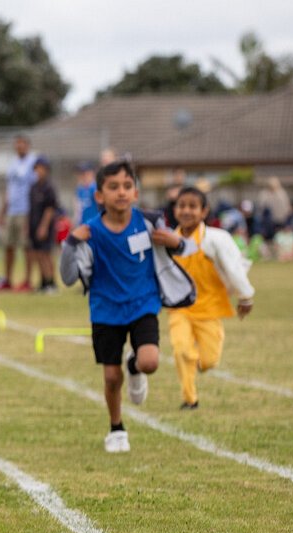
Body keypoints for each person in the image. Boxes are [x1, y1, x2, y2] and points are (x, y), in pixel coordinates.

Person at [64, 160, 183, 453]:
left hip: (143, 303)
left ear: (136, 193)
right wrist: (70, 244)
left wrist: (176, 242)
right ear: (99, 195)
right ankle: (116, 428)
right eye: (113, 187)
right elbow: (67, 278)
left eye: (127, 186)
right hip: (105, 309)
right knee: (110, 376)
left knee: (149, 362)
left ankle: (134, 365)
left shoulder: (150, 222)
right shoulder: (89, 232)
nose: (121, 192)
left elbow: (183, 249)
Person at [167, 187, 255, 410]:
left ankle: (198, 363)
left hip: (210, 308)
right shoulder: (168, 240)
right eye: (182, 206)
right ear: (175, 210)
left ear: (204, 211)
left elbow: (234, 268)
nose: (186, 211)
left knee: (209, 360)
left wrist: (245, 297)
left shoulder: (216, 239)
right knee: (181, 350)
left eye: (193, 206)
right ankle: (190, 399)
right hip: (180, 309)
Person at [0, 134, 37, 291]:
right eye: (17, 144)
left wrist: (32, 214)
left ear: (28, 145)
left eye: (22, 144)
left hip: (25, 211)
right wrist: (2, 212)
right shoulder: (12, 163)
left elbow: (34, 189)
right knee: (8, 245)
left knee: (26, 246)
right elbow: (9, 189)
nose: (19, 146)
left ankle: (28, 280)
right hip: (11, 211)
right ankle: (7, 280)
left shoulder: (33, 162)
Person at [28, 156, 61, 294]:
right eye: (37, 168)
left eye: (41, 168)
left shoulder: (49, 188)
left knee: (46, 254)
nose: (39, 171)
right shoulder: (34, 187)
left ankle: (51, 282)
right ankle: (43, 282)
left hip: (45, 227)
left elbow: (50, 209)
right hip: (34, 225)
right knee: (38, 254)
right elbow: (30, 208)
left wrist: (44, 226)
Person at [74, 161, 100, 226]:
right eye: (80, 174)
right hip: (83, 224)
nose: (82, 176)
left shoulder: (94, 188)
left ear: (92, 173)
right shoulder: (80, 189)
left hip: (94, 224)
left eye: (85, 173)